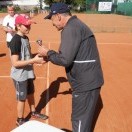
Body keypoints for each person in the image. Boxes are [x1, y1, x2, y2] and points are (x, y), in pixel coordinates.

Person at [38, 2, 104, 132]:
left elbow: (65, 60)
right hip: (89, 81)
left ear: (58, 16)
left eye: (51, 19)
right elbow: (70, 55)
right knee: (83, 121)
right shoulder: (76, 25)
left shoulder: (70, 28)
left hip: (84, 84)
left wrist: (48, 53)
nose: (52, 23)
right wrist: (50, 56)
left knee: (79, 121)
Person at [9, 14, 48, 126]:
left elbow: (27, 57)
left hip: (28, 73)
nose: (29, 27)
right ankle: (20, 119)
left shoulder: (25, 38)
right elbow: (15, 63)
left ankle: (33, 112)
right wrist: (33, 61)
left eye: (29, 25)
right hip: (19, 75)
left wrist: (36, 61)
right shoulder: (15, 41)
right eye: (26, 25)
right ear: (18, 26)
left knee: (30, 93)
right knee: (22, 98)